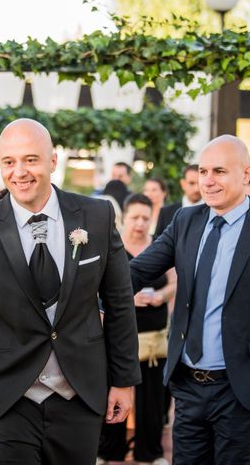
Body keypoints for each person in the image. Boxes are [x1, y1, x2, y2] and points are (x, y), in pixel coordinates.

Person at [0, 119, 141, 465]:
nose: (19, 172)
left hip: (79, 394)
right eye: (9, 162)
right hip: (7, 398)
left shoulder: (96, 216)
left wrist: (124, 381)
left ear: (53, 161)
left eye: (30, 160)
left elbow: (119, 303)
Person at [129, 135, 250, 464]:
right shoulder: (185, 221)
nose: (208, 181)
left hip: (241, 393)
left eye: (219, 171)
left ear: (245, 173)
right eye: (204, 171)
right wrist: (95, 300)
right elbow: (136, 272)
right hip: (188, 387)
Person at [98, 193, 174, 465]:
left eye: (145, 217)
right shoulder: (114, 246)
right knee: (116, 392)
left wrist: (161, 296)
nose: (140, 223)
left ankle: (150, 451)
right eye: (135, 218)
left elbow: (174, 282)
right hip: (122, 335)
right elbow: (103, 289)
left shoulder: (160, 245)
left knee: (152, 398)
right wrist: (130, 299)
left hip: (154, 339)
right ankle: (110, 450)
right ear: (125, 218)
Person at [154, 164, 202, 238]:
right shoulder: (166, 212)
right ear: (183, 184)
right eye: (191, 183)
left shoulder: (213, 212)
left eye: (200, 183)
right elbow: (158, 242)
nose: (197, 189)